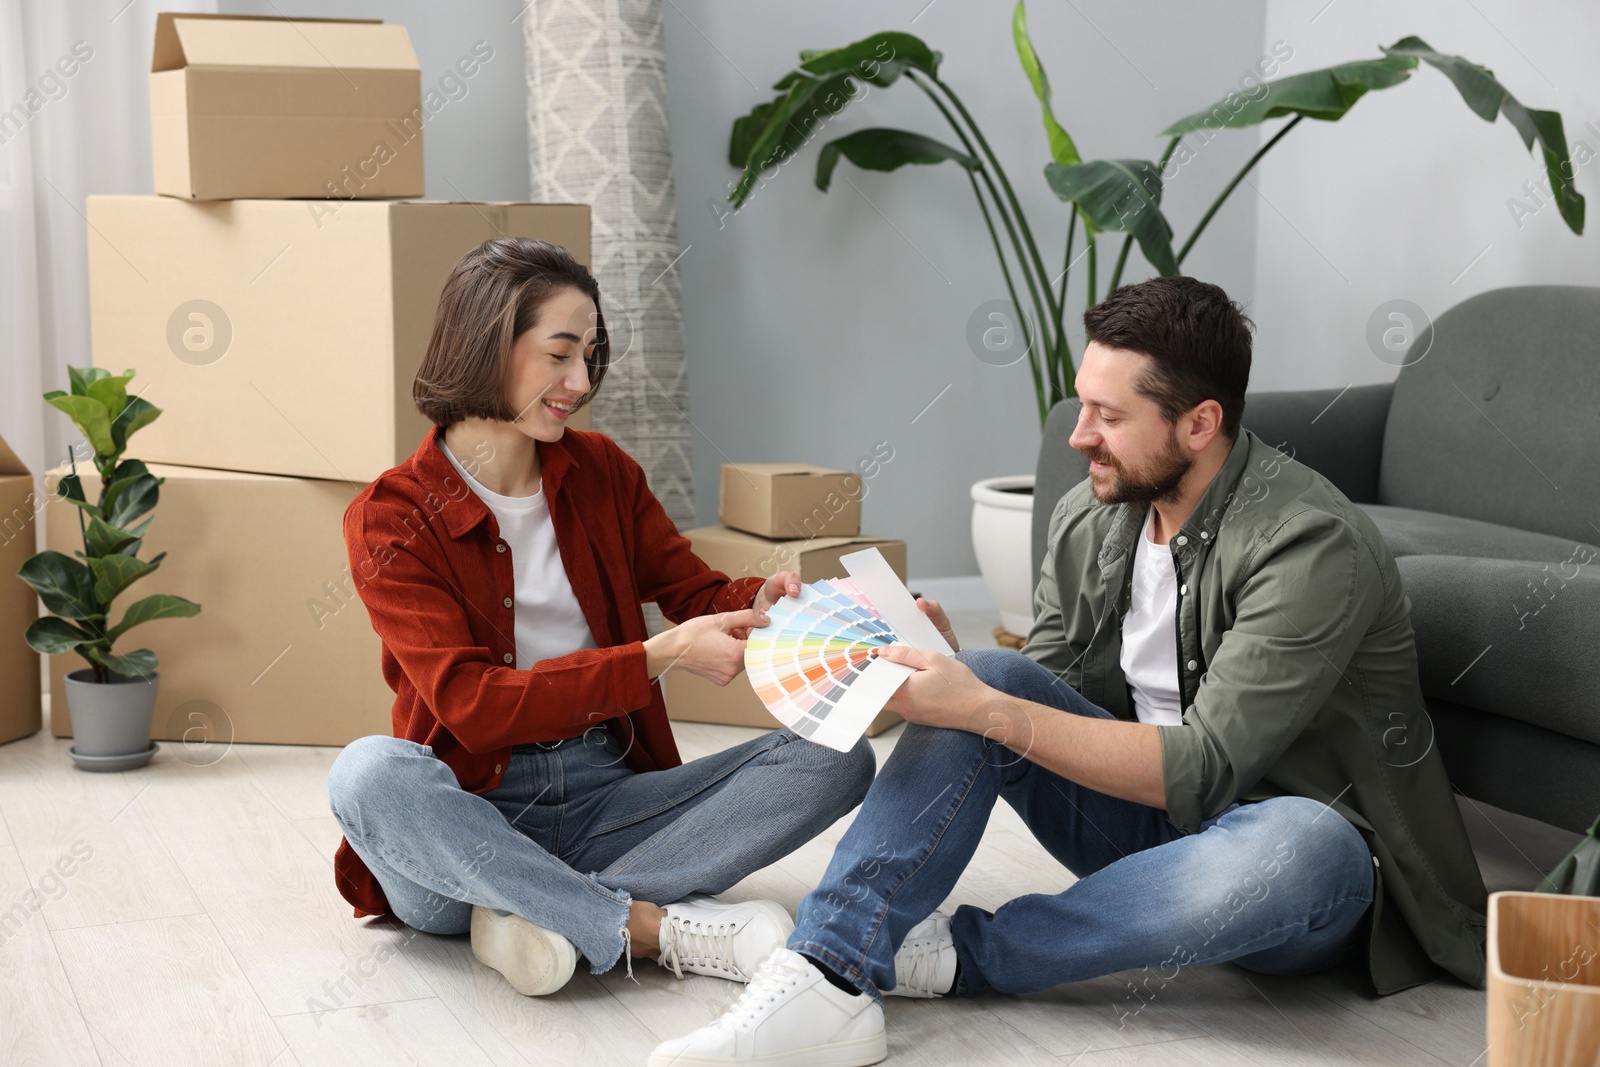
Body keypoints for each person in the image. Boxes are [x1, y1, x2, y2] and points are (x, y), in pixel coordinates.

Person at [653, 275, 1488, 1066]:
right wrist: (961, 674)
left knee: (1302, 842)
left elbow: (1203, 770)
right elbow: (1043, 695)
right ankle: (828, 970)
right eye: (1082, 404)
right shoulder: (1094, 515)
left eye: (1107, 414)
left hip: (1297, 869)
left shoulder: (1310, 545)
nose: (1079, 435)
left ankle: (958, 956)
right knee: (987, 672)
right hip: (1145, 823)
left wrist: (985, 707)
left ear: (1199, 424)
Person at [325, 237, 876, 998]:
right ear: (488, 343)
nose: (580, 381)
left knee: (839, 756)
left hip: (607, 797)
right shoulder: (392, 516)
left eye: (589, 354)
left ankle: (536, 910)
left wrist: (765, 604)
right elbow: (472, 706)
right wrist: (653, 658)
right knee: (367, 771)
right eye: (559, 354)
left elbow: (690, 590)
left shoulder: (603, 473)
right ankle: (634, 924)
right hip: (464, 813)